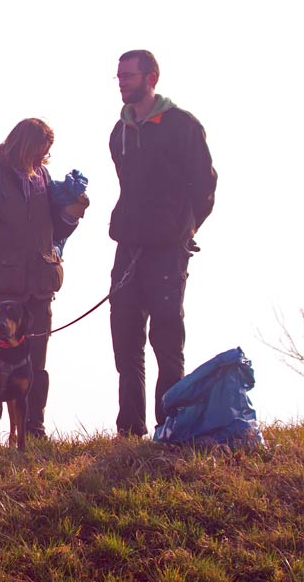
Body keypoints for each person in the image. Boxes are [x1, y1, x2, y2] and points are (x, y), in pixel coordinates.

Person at [0, 118, 88, 441]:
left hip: (39, 289)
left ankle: (33, 428)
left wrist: (73, 210)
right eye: (41, 150)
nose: (44, 157)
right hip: (0, 290)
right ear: (26, 145)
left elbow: (53, 230)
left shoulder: (41, 177)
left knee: (35, 365)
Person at [108, 50, 217, 437]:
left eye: (128, 75)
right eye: (119, 76)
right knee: (125, 342)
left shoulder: (182, 125)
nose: (121, 82)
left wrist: (184, 232)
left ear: (151, 77)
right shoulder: (119, 131)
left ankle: (170, 428)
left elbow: (205, 186)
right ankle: (129, 429)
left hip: (168, 251)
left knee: (167, 341)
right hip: (128, 248)